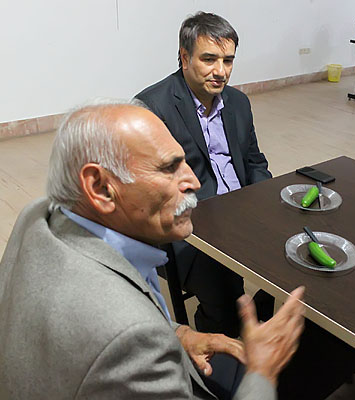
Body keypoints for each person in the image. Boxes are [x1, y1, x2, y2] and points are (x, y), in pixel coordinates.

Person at [0, 100, 305, 400]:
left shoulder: (37, 215)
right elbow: (119, 333)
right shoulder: (130, 339)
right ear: (101, 188)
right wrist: (263, 371)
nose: (193, 182)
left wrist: (178, 334)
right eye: (169, 168)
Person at [135, 12, 272, 337]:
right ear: (184, 58)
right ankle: (216, 348)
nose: (220, 71)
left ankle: (264, 321)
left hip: (243, 213)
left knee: (298, 265)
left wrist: (266, 203)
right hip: (192, 229)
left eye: (228, 60)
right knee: (225, 299)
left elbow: (255, 162)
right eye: (209, 59)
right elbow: (152, 190)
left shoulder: (238, 103)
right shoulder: (153, 108)